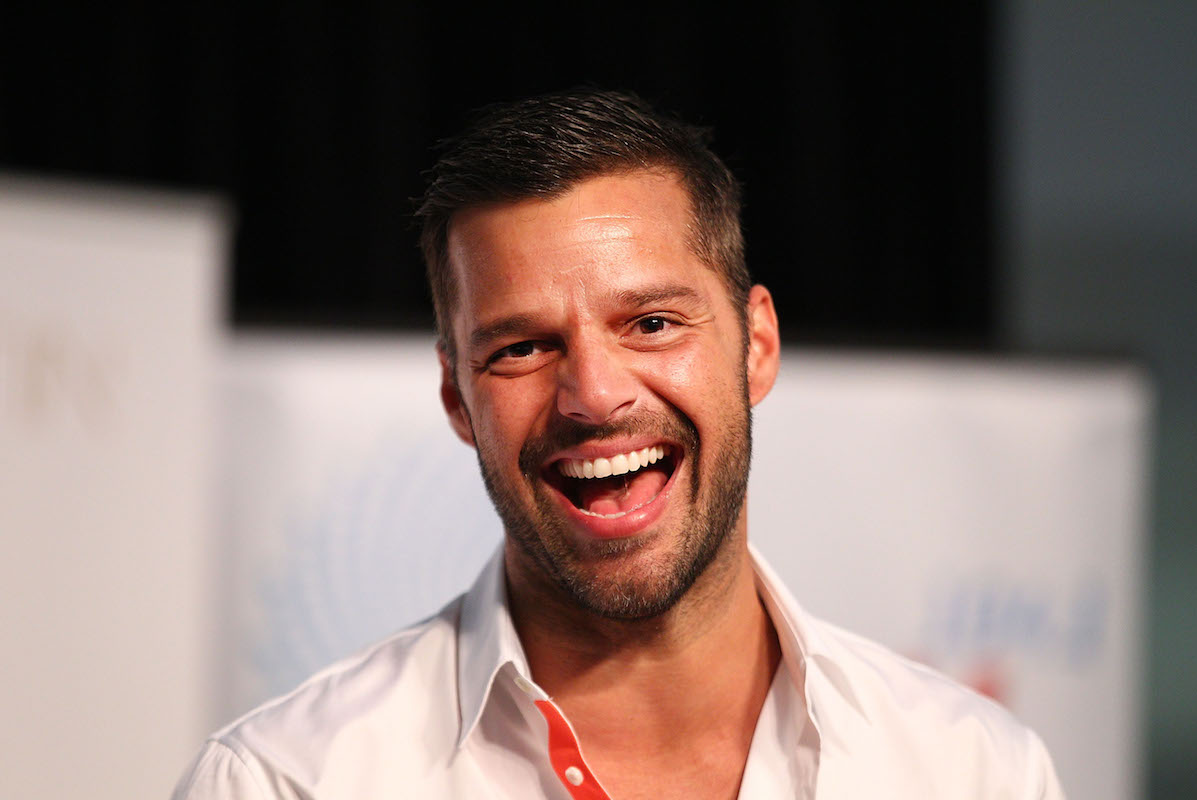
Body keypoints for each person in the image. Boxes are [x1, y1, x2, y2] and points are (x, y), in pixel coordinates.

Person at [173, 89, 1065, 799]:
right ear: (456, 395)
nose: (595, 395)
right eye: (522, 347)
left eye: (650, 322)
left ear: (755, 346)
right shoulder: (289, 782)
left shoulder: (972, 773)